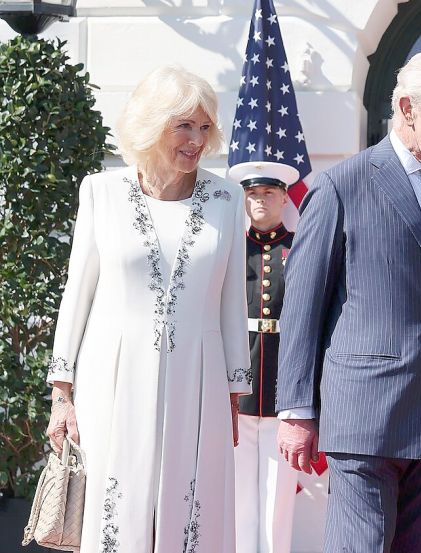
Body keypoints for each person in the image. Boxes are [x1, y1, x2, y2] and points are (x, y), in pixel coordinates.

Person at [274, 51, 421, 553]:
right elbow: (303, 307)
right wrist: (297, 411)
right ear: (408, 108)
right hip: (364, 422)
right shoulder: (339, 186)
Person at [43, 65, 250, 552]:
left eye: (205, 127)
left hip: (200, 380)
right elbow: (78, 292)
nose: (197, 139)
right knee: (118, 511)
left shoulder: (227, 196)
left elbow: (231, 300)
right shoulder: (101, 191)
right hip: (111, 379)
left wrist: (235, 391)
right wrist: (61, 394)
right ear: (151, 126)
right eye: (184, 126)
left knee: (193, 511)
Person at [228, 161, 300, 553]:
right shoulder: (231, 247)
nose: (260, 201)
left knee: (278, 502)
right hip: (239, 389)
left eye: (268, 193)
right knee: (238, 498)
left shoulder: (300, 246)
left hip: (283, 389)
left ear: (285, 197)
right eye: (253, 194)